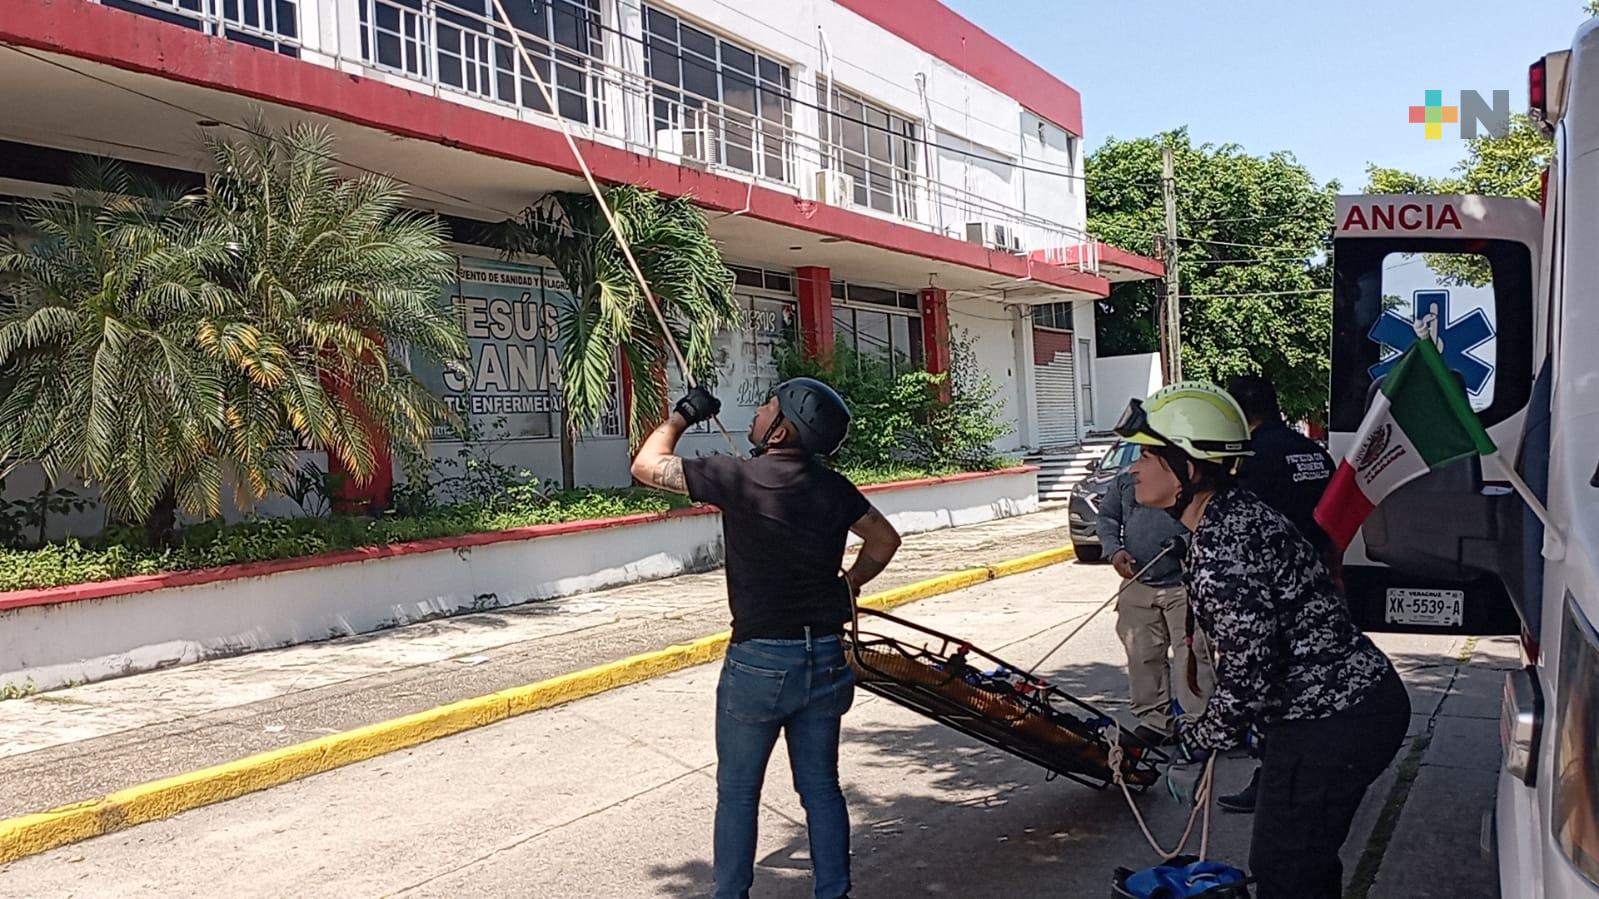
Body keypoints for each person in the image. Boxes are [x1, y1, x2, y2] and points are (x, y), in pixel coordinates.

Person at [1115, 382, 1410, 899]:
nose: (1134, 468)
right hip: (1334, 713)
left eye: (1146, 454)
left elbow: (1248, 674)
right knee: (1301, 863)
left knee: (1284, 868)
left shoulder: (1225, 543)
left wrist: (1196, 743)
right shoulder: (1228, 520)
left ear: (1188, 464)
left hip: (1334, 718)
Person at [631, 377, 902, 899]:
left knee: (737, 792)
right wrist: (849, 584)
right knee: (821, 789)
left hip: (758, 662)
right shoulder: (833, 488)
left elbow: (646, 465)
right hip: (823, 656)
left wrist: (684, 414)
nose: (756, 412)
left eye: (767, 407)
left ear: (782, 430)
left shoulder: (737, 476)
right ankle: (833, 892)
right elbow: (885, 538)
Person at [1218, 373, 1337, 814]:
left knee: (1275, 694)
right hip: (1318, 582)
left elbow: (1238, 528)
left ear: (1242, 414)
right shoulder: (1313, 454)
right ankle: (1311, 774)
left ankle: (1272, 782)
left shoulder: (1250, 458)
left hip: (1273, 594)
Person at [1096, 457, 1215, 747]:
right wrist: (1114, 551)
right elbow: (1107, 517)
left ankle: (1198, 724)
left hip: (1183, 584)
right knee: (1142, 655)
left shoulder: (1188, 477)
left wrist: (1188, 546)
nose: (1138, 464)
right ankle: (1156, 723)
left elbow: (1209, 520)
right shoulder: (1127, 479)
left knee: (1192, 655)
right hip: (1138, 584)